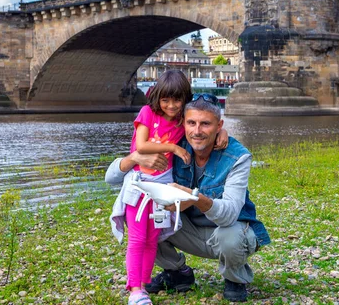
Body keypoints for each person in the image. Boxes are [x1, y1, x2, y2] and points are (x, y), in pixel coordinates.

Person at [106, 93, 270, 303]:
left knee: (231, 237)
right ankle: (177, 273)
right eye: (191, 123)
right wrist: (134, 156)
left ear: (219, 125)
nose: (197, 131)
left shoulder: (238, 156)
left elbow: (229, 215)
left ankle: (234, 278)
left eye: (206, 124)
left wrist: (195, 199)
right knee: (143, 218)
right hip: (187, 229)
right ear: (183, 123)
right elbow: (110, 177)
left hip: (226, 231)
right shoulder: (173, 145)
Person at [107, 71, 228, 305]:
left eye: (177, 100)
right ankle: (135, 288)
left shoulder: (182, 121)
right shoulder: (147, 113)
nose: (171, 106)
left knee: (152, 240)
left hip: (163, 189)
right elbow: (141, 145)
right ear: (157, 98)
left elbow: (202, 126)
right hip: (140, 188)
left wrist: (221, 131)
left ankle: (141, 285)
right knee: (137, 239)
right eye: (166, 100)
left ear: (184, 100)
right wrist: (172, 148)